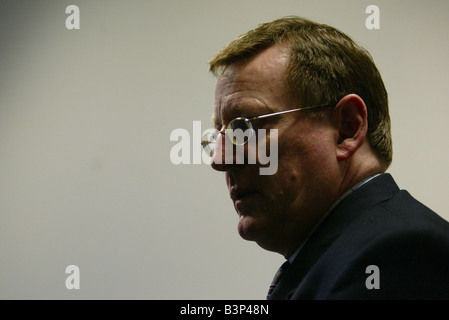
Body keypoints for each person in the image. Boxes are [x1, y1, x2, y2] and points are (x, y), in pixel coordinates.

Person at [203, 16, 449, 299]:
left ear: (347, 128)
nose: (219, 159)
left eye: (244, 127)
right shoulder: (333, 258)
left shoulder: (397, 254)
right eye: (217, 135)